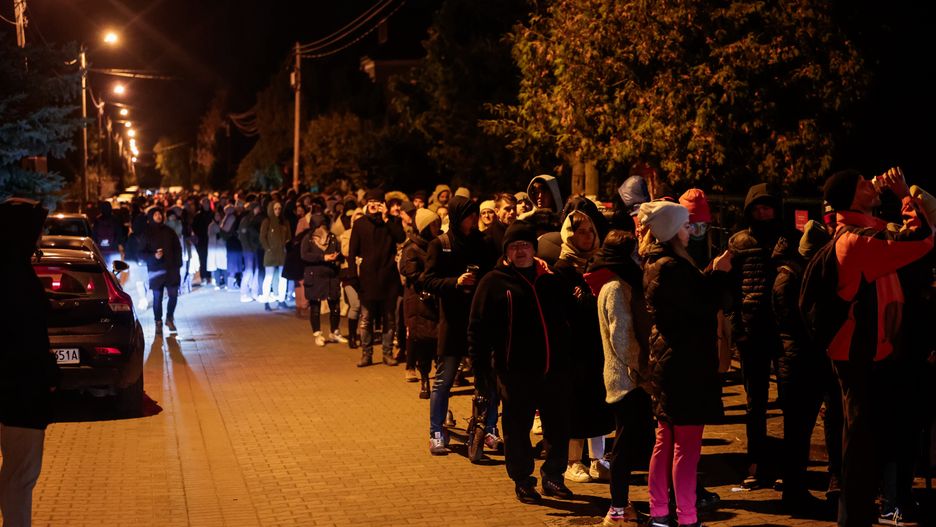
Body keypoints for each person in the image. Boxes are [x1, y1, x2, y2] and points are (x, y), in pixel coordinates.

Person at [819, 168, 933, 527]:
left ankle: (859, 514)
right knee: (859, 449)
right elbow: (922, 240)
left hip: (866, 352)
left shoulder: (863, 231)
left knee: (865, 444)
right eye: (862, 184)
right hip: (859, 353)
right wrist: (903, 193)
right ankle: (853, 519)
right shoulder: (857, 240)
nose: (871, 183)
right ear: (851, 199)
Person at [638, 201, 732, 527]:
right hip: (685, 366)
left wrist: (708, 274)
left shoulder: (659, 264)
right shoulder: (672, 267)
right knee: (687, 447)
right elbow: (699, 308)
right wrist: (718, 276)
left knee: (665, 440)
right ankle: (687, 517)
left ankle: (660, 512)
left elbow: (686, 302)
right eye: (684, 225)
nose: (690, 230)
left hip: (669, 363)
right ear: (671, 230)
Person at [468, 220, 575, 503]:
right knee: (517, 430)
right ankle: (522, 479)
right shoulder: (493, 282)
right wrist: (481, 371)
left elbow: (570, 317)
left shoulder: (550, 278)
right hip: (515, 372)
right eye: (514, 246)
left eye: (525, 245)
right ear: (506, 251)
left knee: (558, 428)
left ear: (533, 248)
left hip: (554, 369)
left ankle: (553, 476)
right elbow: (477, 330)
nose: (520, 251)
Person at [727, 182, 797, 488]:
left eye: (767, 207)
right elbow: (730, 289)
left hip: (784, 330)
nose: (762, 213)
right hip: (752, 330)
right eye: (757, 208)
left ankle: (789, 465)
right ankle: (756, 463)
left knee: (789, 400)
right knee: (755, 402)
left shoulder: (791, 239)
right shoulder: (739, 242)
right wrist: (736, 326)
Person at [771, 219, 842, 515]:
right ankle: (795, 493)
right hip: (800, 361)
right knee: (798, 431)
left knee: (799, 430)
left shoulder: (792, 275)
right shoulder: (793, 279)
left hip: (799, 360)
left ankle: (797, 490)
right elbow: (800, 324)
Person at [0, 198, 60, 527]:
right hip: (20, 393)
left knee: (16, 474)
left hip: (17, 390)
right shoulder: (15, 275)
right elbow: (24, 337)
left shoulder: (12, 269)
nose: (40, 238)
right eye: (36, 230)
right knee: (21, 475)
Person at [421, 195, 496, 455]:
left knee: (487, 380)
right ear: (456, 216)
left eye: (475, 214)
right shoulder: (440, 244)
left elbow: (494, 273)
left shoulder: (483, 242)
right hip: (452, 321)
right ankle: (436, 433)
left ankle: (489, 429)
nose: (473, 219)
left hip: (479, 321)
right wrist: (456, 282)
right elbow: (427, 280)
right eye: (468, 215)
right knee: (444, 380)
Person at [590, 230, 653, 526]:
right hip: (627, 380)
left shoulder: (619, 285)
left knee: (637, 442)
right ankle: (616, 509)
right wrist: (643, 372)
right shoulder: (615, 288)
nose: (639, 258)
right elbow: (622, 339)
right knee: (624, 446)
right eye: (635, 253)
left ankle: (627, 505)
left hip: (630, 378)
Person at [552, 210, 615, 484]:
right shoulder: (562, 268)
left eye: (590, 231)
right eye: (581, 231)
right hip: (573, 349)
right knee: (576, 405)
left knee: (598, 402)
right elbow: (562, 310)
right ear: (570, 235)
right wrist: (583, 301)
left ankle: (597, 459)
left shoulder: (599, 263)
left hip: (598, 344)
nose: (587, 236)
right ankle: (572, 461)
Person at [348, 190, 406, 367]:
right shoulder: (360, 224)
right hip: (367, 279)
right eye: (370, 201)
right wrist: (353, 275)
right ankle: (366, 354)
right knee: (366, 318)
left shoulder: (392, 222)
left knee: (389, 318)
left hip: (388, 278)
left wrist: (387, 218)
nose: (373, 205)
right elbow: (352, 252)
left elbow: (401, 237)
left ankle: (387, 353)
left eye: (377, 202)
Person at [400, 208, 442, 399]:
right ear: (425, 226)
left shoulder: (438, 243)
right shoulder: (412, 247)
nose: (437, 227)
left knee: (438, 342)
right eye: (433, 224)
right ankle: (425, 379)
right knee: (424, 342)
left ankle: (441, 382)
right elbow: (411, 273)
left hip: (437, 298)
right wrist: (432, 277)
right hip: (420, 301)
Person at [300, 212, 347, 347]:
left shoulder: (332, 238)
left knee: (335, 306)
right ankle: (317, 334)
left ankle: (334, 331)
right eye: (319, 225)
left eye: (324, 225)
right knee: (315, 307)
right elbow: (304, 255)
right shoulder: (308, 239)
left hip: (331, 276)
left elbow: (339, 253)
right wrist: (323, 257)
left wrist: (337, 257)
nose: (322, 228)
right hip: (314, 276)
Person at [141, 206, 184, 333]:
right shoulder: (146, 233)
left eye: (160, 214)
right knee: (157, 297)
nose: (158, 216)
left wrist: (178, 264)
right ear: (151, 217)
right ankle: (158, 322)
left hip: (171, 269)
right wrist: (153, 256)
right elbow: (141, 253)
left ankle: (169, 318)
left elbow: (177, 248)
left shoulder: (169, 231)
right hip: (156, 269)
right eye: (155, 214)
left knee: (173, 295)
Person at [259, 201, 291, 311]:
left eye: (279, 208)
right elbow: (262, 237)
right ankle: (266, 300)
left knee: (283, 277)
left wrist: (285, 246)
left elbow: (289, 236)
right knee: (269, 277)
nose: (277, 211)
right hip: (271, 253)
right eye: (275, 208)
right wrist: (268, 248)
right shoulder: (267, 221)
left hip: (281, 252)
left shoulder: (284, 222)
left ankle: (281, 300)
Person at [238, 201, 263, 303]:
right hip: (249, 250)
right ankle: (244, 293)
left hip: (255, 248)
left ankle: (254, 292)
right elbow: (243, 236)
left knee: (256, 270)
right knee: (249, 270)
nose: (259, 210)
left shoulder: (256, 219)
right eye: (257, 208)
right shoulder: (246, 220)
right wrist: (248, 248)